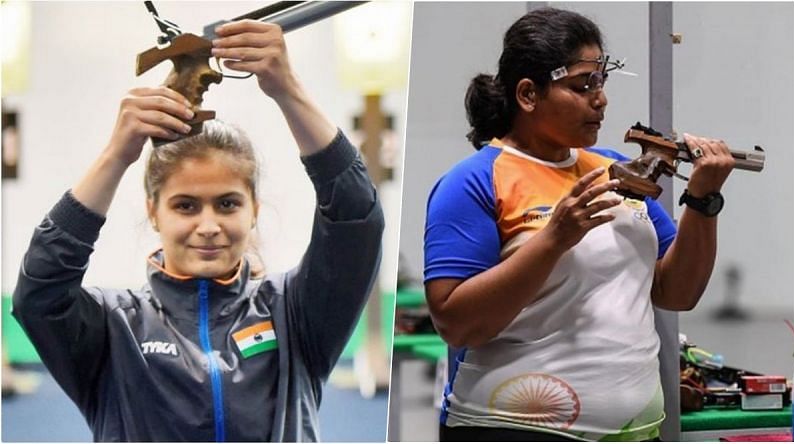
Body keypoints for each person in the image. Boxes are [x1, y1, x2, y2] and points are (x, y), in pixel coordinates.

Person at [12, 20, 383, 442]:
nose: (208, 226)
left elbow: (356, 218)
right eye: (185, 206)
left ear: (254, 210)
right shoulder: (113, 328)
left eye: (227, 204)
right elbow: (40, 292)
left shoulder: (296, 314)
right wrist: (117, 155)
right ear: (154, 212)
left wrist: (288, 89)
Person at [424, 7, 734, 442]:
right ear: (528, 95)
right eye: (582, 85)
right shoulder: (474, 181)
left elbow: (677, 291)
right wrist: (555, 238)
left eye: (601, 82)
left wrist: (702, 200)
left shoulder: (614, 169)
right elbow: (456, 324)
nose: (600, 98)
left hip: (635, 433)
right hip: (512, 431)